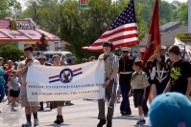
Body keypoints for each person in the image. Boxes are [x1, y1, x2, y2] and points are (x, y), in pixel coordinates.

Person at [17, 45, 40, 127]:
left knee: (33, 105)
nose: (26, 54)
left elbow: (40, 74)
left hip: (33, 86)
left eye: (28, 52)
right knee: (26, 105)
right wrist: (26, 66)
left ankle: (36, 119)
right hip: (24, 85)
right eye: (25, 52)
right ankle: (28, 121)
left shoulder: (36, 62)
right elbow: (18, 74)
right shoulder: (21, 63)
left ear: (32, 52)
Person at [97, 41, 118, 127]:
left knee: (110, 101)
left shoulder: (114, 57)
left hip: (110, 81)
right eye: (104, 46)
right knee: (100, 99)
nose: (106, 48)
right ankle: (102, 119)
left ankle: (109, 120)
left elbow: (115, 71)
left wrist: (108, 80)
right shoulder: (100, 57)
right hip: (101, 81)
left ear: (111, 48)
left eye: (108, 46)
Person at [129, 60, 149, 125]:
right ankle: (142, 118)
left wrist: (144, 94)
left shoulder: (143, 74)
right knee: (138, 105)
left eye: (134, 66)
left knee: (139, 105)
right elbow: (132, 84)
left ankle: (140, 118)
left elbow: (145, 85)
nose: (133, 67)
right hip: (135, 91)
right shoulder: (133, 74)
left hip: (141, 90)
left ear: (138, 66)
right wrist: (130, 91)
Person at [118, 47, 134, 116]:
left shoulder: (131, 60)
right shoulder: (120, 60)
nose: (124, 53)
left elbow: (133, 71)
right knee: (125, 96)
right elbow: (119, 71)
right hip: (122, 79)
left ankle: (122, 108)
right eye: (123, 52)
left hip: (128, 79)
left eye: (126, 52)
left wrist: (132, 81)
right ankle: (128, 110)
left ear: (128, 52)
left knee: (125, 95)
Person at [51, 55, 65, 124]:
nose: (57, 61)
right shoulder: (49, 69)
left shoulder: (62, 69)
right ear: (52, 61)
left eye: (58, 60)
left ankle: (59, 117)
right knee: (55, 104)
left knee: (60, 103)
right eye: (55, 60)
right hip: (52, 89)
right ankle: (60, 116)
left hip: (61, 88)